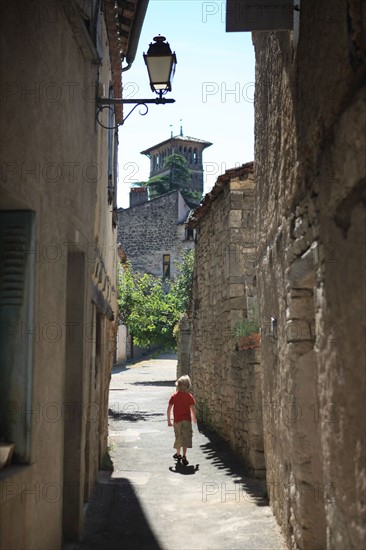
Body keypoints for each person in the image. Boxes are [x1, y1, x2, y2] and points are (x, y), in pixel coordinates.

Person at [167, 375, 197, 466]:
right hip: (187, 420)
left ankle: (178, 454)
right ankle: (184, 455)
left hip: (177, 421)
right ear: (188, 386)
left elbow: (169, 409)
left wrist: (169, 420)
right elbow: (192, 408)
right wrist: (194, 417)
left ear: (178, 385)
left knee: (178, 436)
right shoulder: (189, 396)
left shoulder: (174, 396)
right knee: (186, 437)